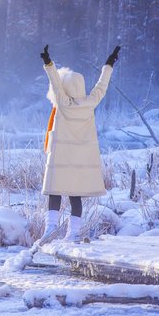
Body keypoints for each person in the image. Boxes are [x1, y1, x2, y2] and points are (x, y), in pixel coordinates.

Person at [38, 44, 120, 244]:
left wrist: (48, 63)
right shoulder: (90, 103)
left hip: (62, 158)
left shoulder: (63, 104)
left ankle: (51, 228)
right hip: (80, 160)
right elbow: (102, 86)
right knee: (76, 197)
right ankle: (73, 233)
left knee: (54, 191)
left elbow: (55, 83)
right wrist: (108, 65)